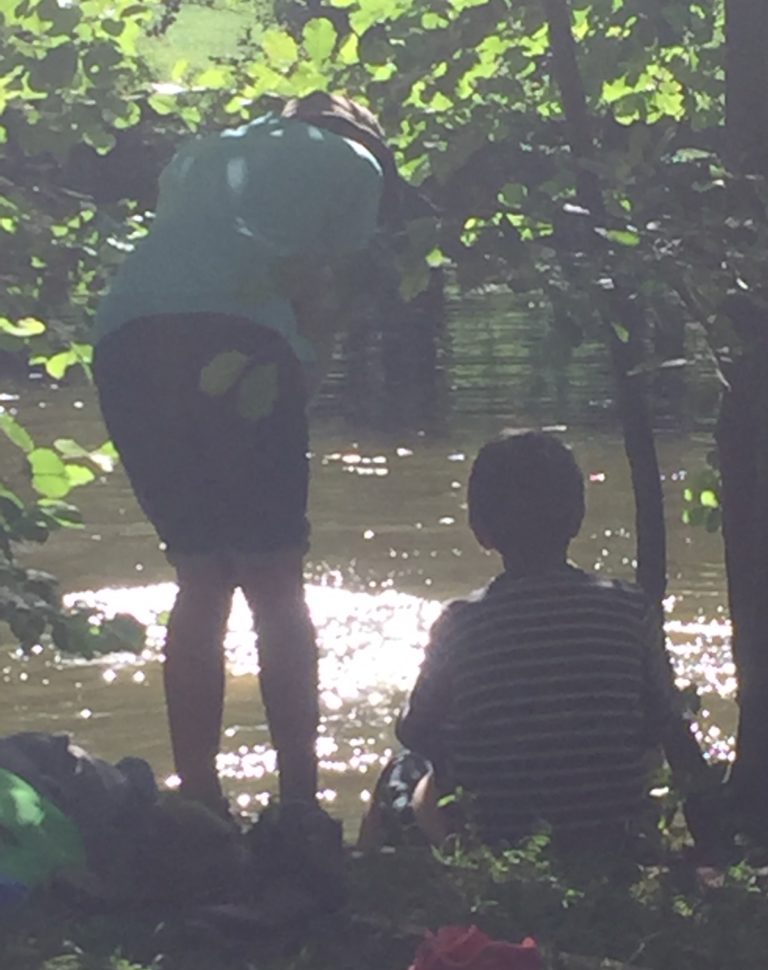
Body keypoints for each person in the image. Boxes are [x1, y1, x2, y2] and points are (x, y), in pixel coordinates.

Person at [93, 93, 397, 812]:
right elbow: (325, 296)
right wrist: (303, 377)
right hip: (240, 340)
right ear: (364, 138)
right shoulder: (356, 163)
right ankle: (297, 801)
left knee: (200, 577)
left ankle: (199, 800)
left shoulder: (201, 152)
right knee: (273, 580)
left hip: (126, 340)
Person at [362, 430, 715, 856]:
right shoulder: (629, 608)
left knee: (402, 768)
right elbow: (663, 721)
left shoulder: (460, 622)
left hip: (495, 838)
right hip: (613, 837)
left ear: (480, 530)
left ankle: (374, 885)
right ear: (577, 517)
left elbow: (415, 729)